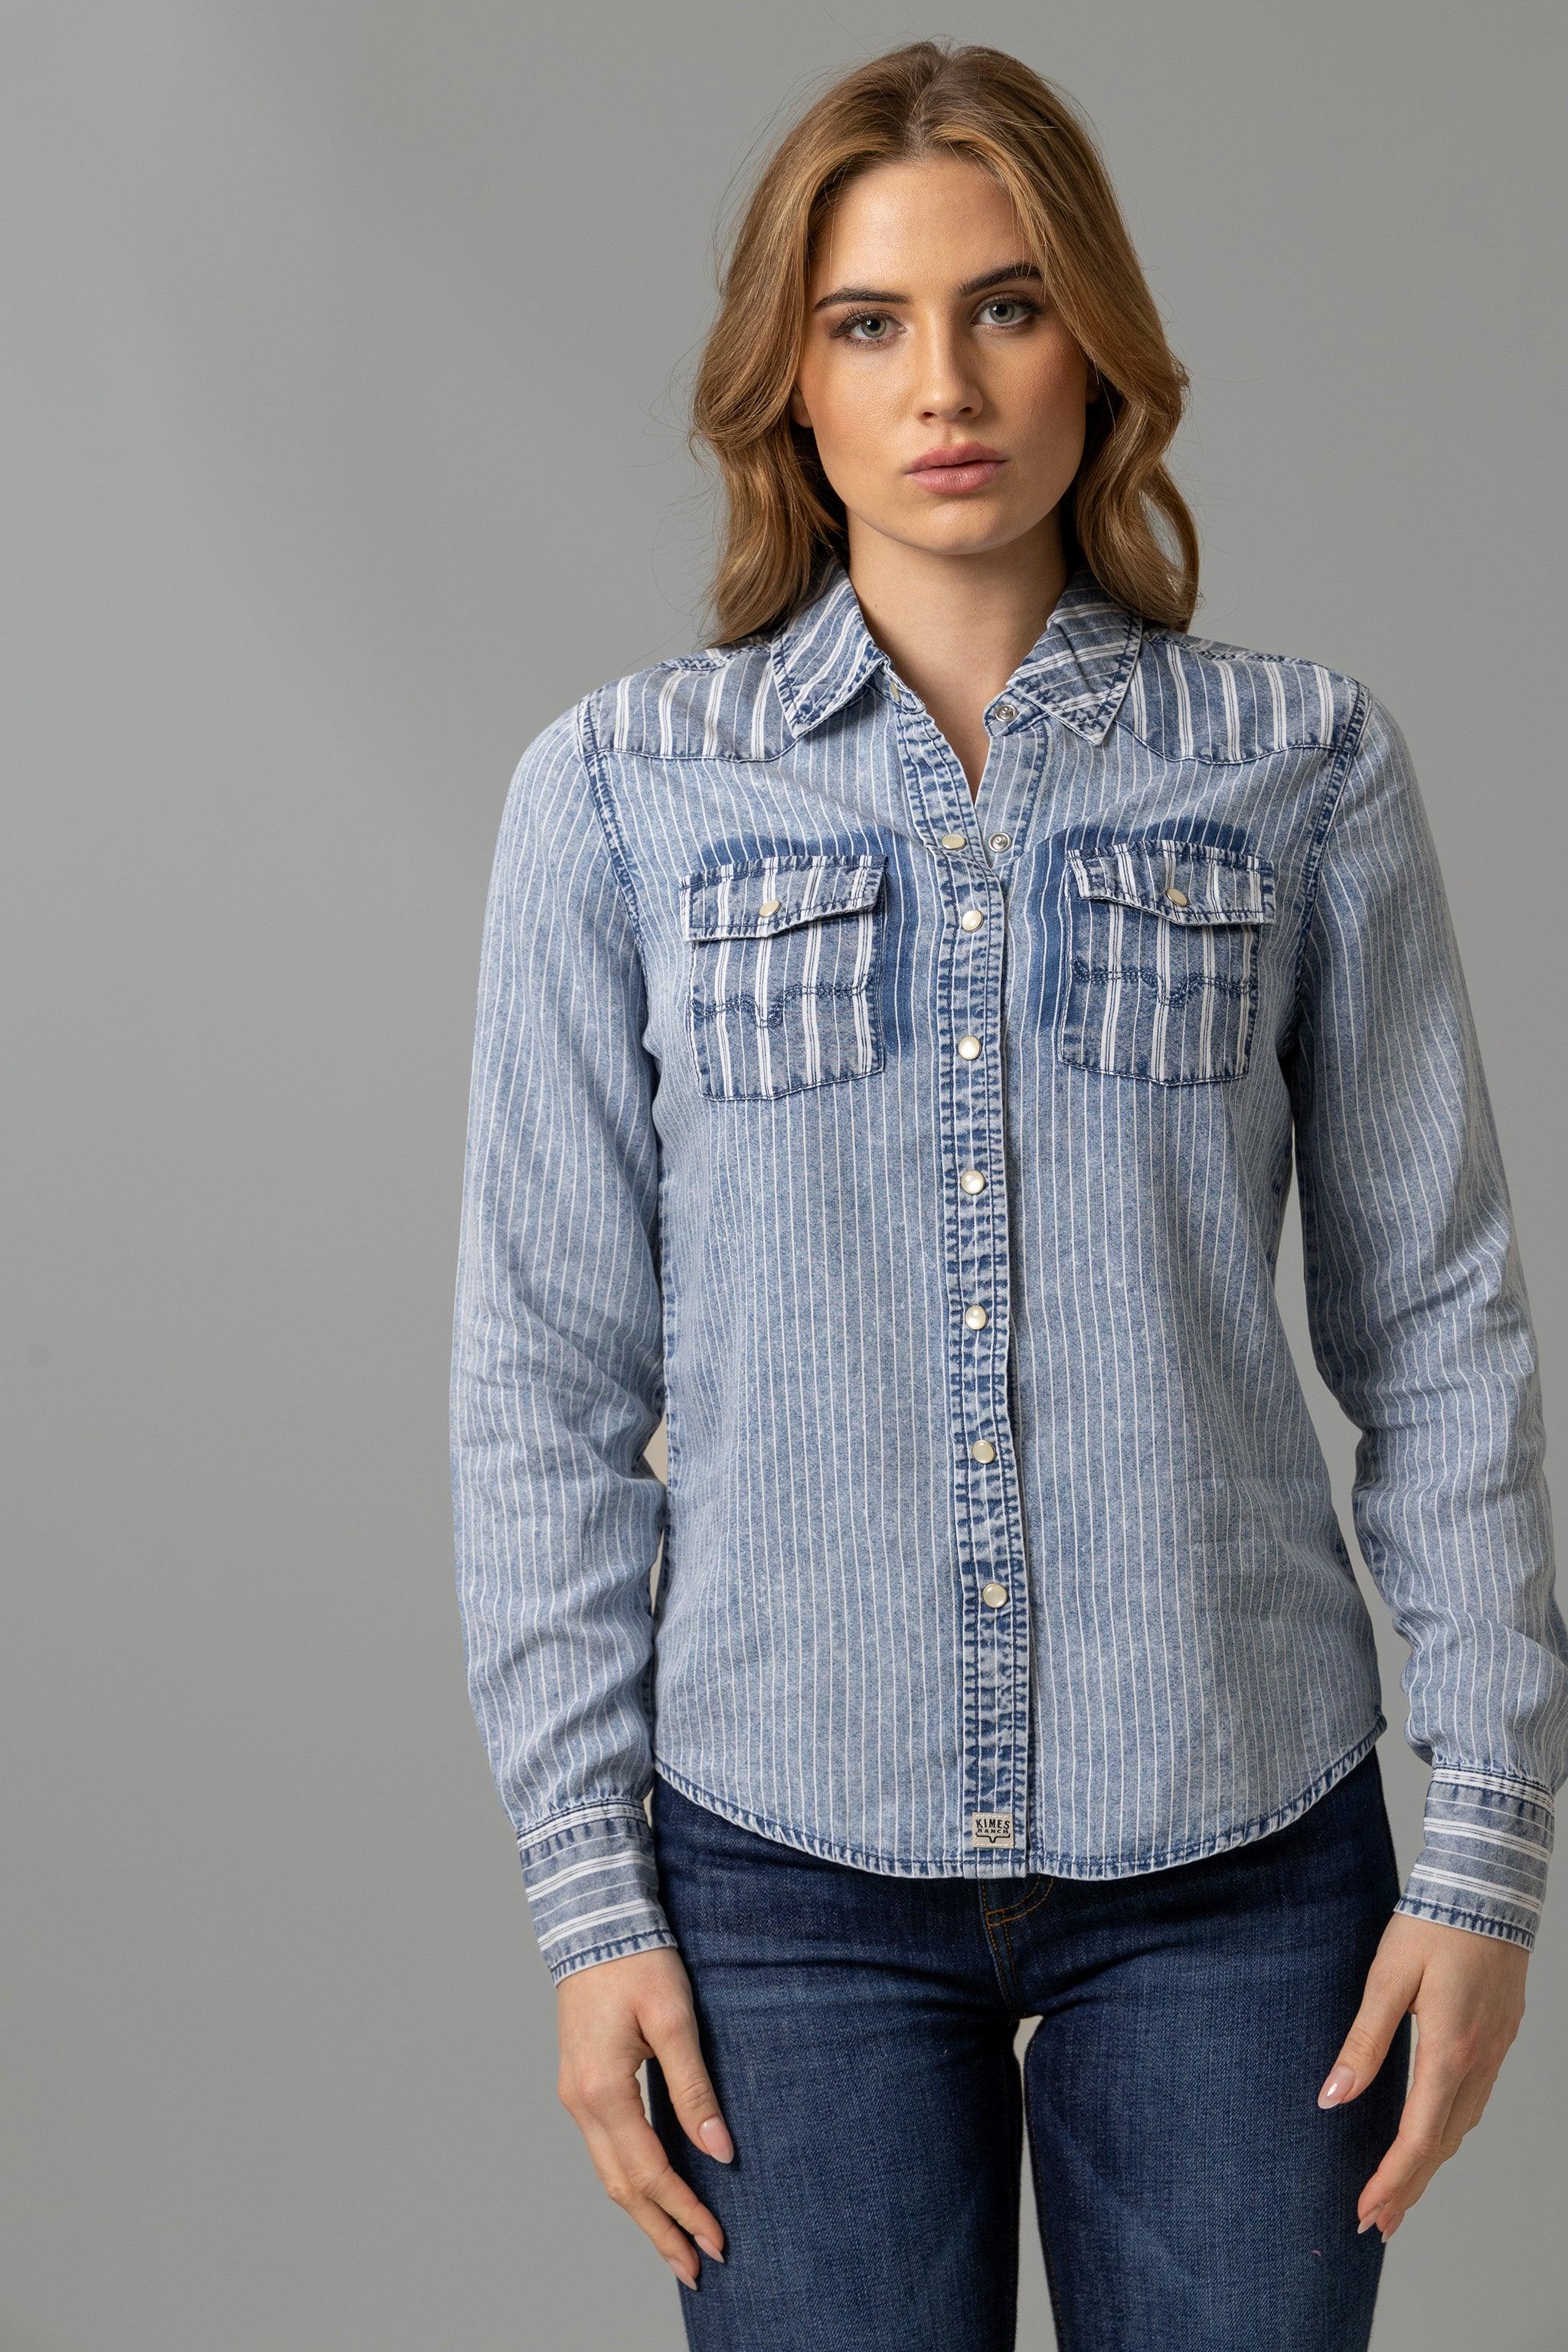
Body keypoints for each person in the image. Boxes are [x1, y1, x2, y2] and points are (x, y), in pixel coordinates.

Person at [449, 38, 1567, 2352]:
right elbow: (542, 1383)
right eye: (868, 322)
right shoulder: (619, 795)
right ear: (789, 379)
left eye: (1008, 306)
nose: (943, 384)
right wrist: (587, 1897)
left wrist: (1486, 1853)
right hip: (780, 1875)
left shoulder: (1301, 765)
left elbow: (1439, 1327)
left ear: (1103, 352)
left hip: (1241, 1861)